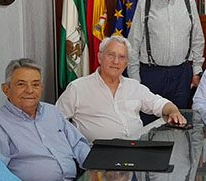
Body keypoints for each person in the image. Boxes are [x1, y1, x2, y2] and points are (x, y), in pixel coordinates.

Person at [57, 36, 187, 142]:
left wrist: (173, 111)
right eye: (111, 55)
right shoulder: (78, 88)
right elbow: (54, 122)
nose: (116, 61)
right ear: (99, 57)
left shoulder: (134, 86)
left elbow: (160, 104)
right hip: (97, 156)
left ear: (126, 63)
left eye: (121, 57)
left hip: (136, 152)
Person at [128, 0, 205, 118]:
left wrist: (196, 70)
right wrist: (135, 80)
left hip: (181, 75)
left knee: (178, 122)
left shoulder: (188, 2)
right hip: (151, 75)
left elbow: (197, 39)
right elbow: (133, 44)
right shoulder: (144, 3)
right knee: (149, 124)